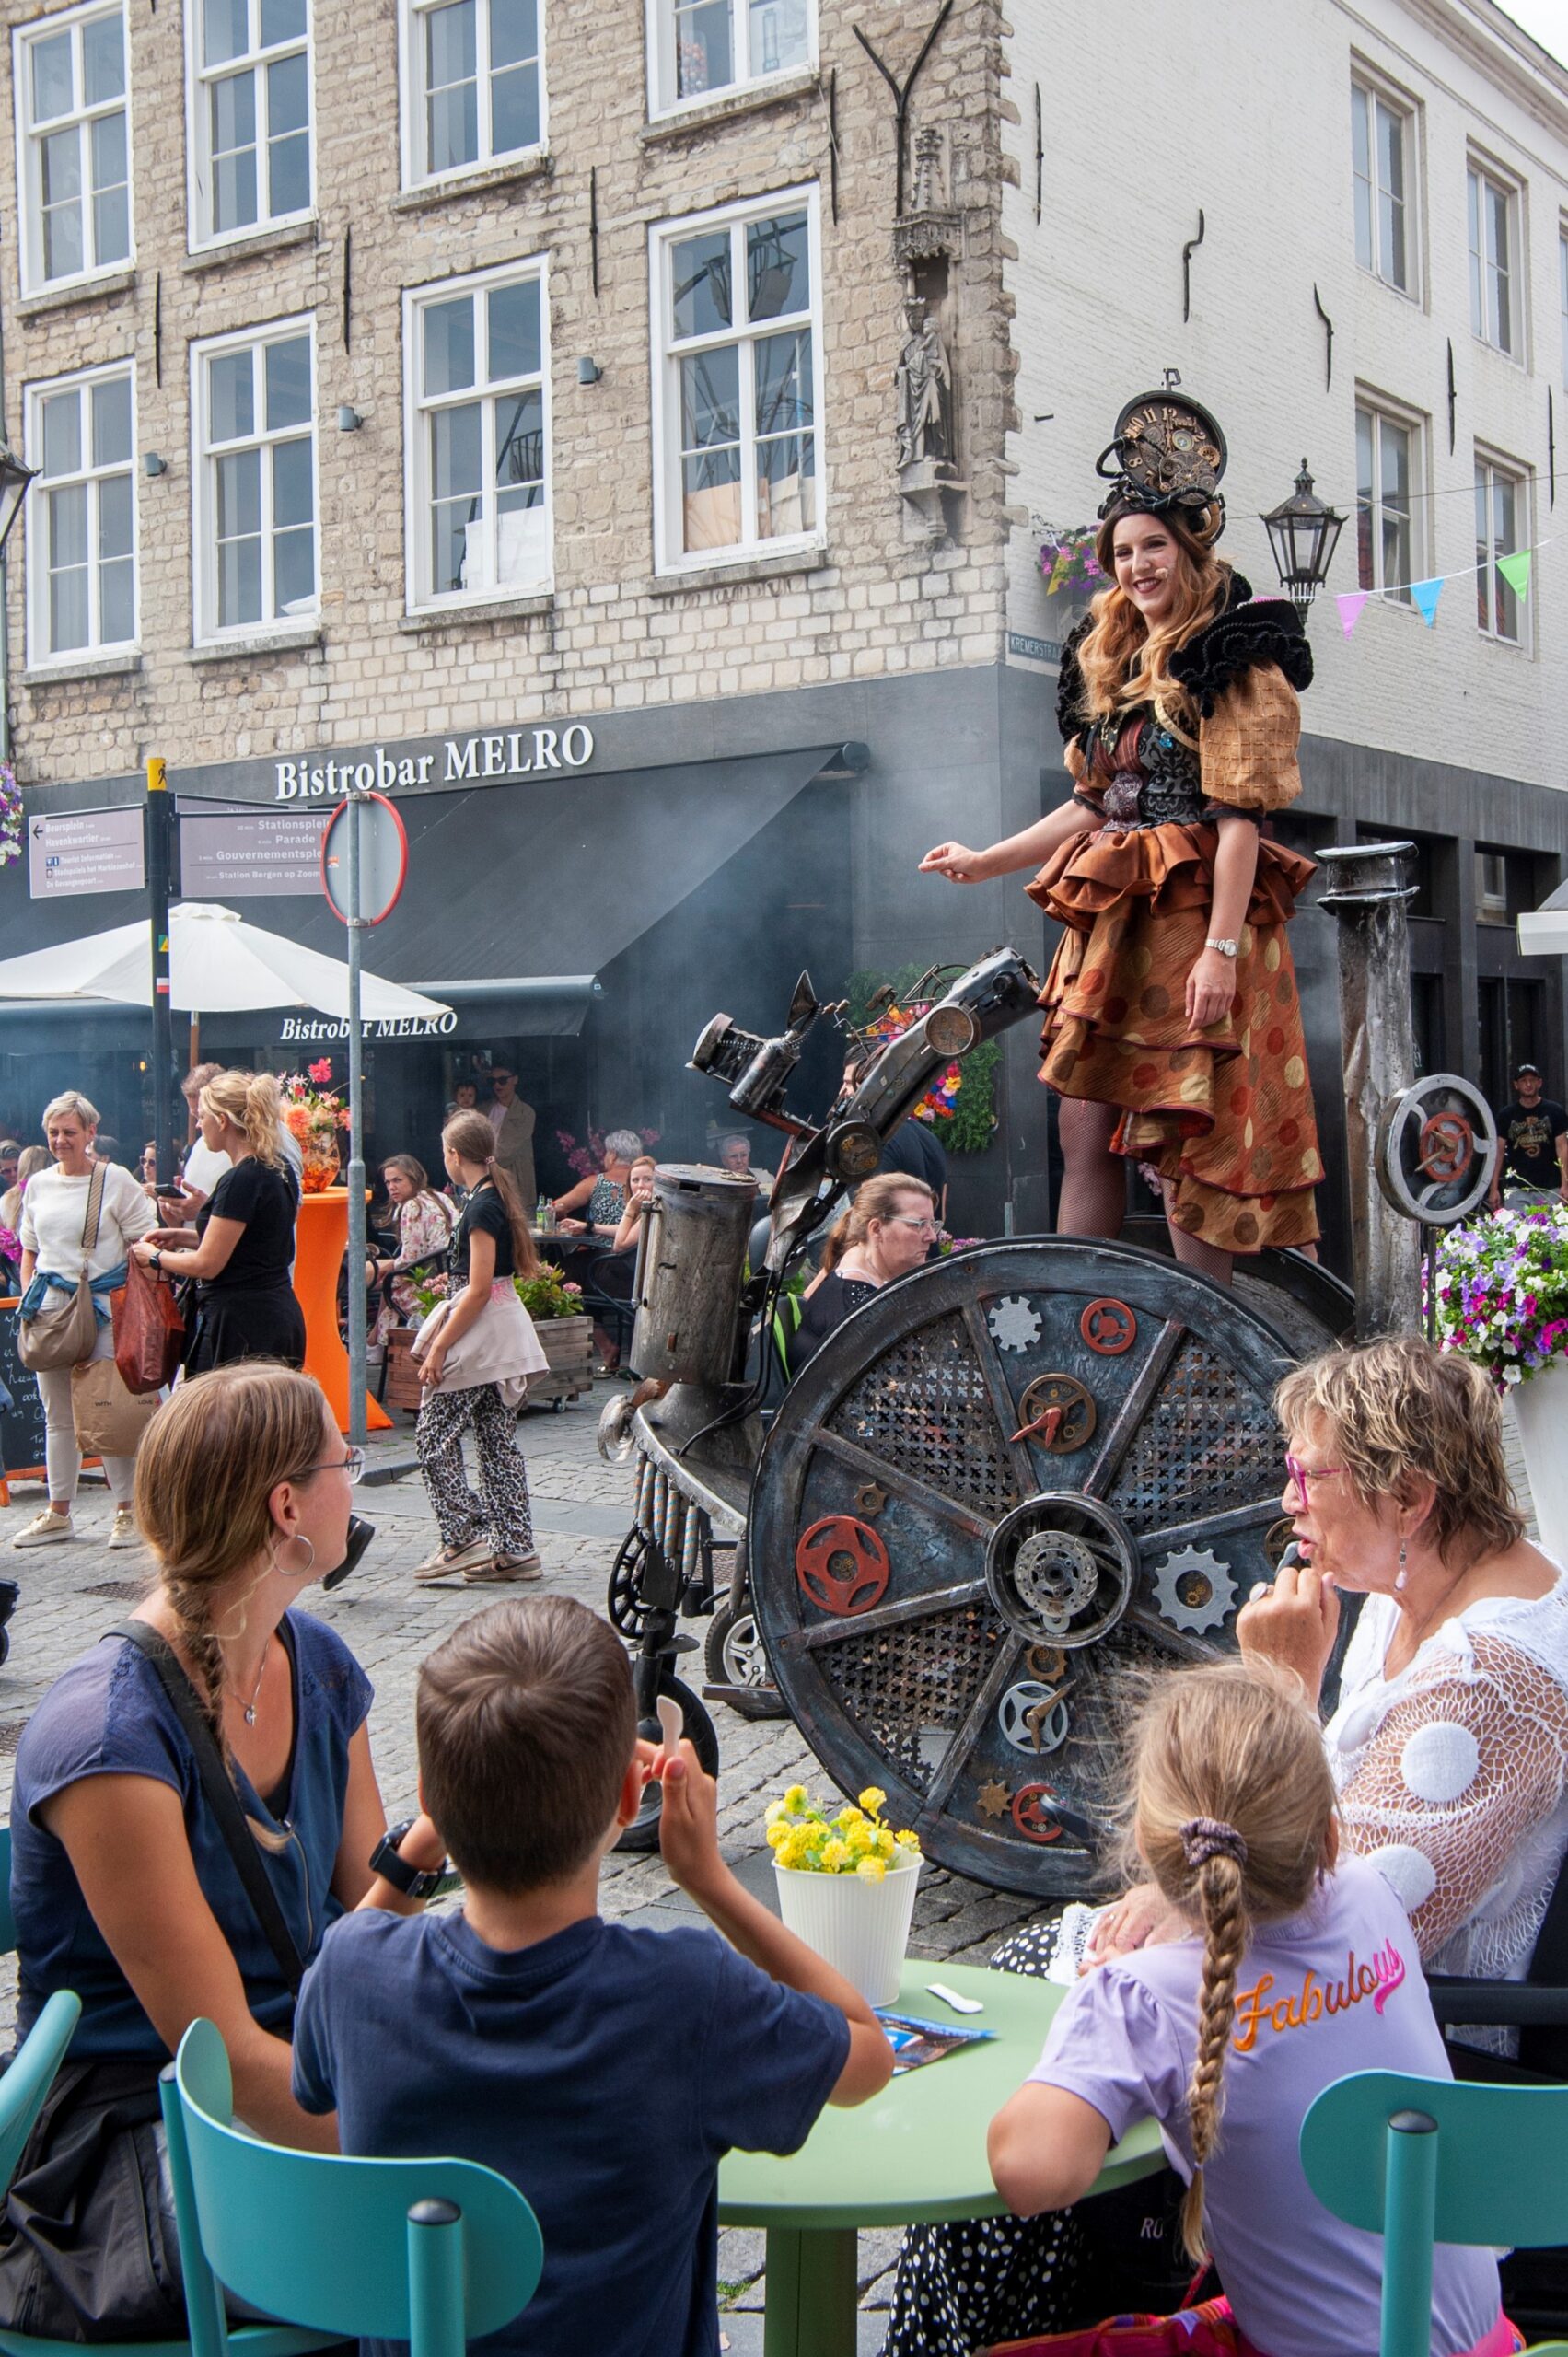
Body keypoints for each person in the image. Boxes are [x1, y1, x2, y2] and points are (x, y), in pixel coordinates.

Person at [292, 1594, 892, 2357]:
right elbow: (866, 2052)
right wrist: (709, 1879)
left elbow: (312, 2063)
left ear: (428, 1799)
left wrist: (415, 1850)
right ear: (627, 1799)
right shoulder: (684, 1995)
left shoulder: (355, 1970)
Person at [0, 1364, 450, 2340]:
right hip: (142, 2130)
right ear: (287, 1506)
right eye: (346, 1459)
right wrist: (424, 2165)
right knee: (473, 2241)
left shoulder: (320, 1664)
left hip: (299, 2064)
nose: (356, 1477)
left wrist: (438, 1837)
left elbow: (348, 1951)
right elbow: (223, 2062)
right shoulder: (109, 1740)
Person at [984, 1660, 1504, 2357]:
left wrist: (1100, 2017)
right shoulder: (1370, 1895)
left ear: (1145, 1845)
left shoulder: (1142, 1999)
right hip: (1490, 2342)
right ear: (1327, 1835)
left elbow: (1028, 2174)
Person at [921, 391, 1321, 1283]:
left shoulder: (1229, 652)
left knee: (1180, 1129)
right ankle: (1080, 1323)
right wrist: (985, 859)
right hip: (1115, 920)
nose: (1136, 566)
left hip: (1192, 916)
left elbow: (1238, 824)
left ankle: (1200, 1334)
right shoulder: (1104, 661)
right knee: (1079, 1121)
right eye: (1121, 551)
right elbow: (1096, 804)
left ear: (1186, 551)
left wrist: (1219, 952)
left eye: (1153, 547)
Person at [1232, 1336, 1568, 2002]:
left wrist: (1283, 1694)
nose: (1286, 1501)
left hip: (1395, 2047)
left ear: (1409, 1499)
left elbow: (1343, 1943)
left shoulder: (1486, 1679)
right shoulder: (1402, 1595)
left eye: (1306, 1478)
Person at [11, 1091, 157, 1552]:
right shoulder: (38, 1186)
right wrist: (32, 1290)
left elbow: (144, 1243)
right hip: (52, 1313)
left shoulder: (114, 1180)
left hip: (103, 1310)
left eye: (69, 1132)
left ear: (91, 1133)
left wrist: (132, 1305)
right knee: (57, 1417)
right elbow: (29, 1248)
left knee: (108, 1411)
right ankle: (59, 1512)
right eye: (53, 1133)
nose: (60, 1140)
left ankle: (128, 1511)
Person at [412, 1109, 549, 1585]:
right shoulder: (485, 1198)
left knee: (433, 1436)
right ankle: (515, 1550)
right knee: (495, 1441)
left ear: (454, 1155)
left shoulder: (480, 1207)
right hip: (493, 1327)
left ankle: (463, 1534)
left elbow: (477, 1288)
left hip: (482, 1332)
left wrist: (437, 1349)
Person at [132, 1070, 305, 1375]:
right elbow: (249, 1245)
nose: (198, 1125)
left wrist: (155, 1257)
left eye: (202, 1117)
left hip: (241, 1326)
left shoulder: (241, 1179)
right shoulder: (278, 1169)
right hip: (275, 1315)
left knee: (226, 1420)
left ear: (222, 1121)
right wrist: (179, 1237)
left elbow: (207, 1264)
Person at [788, 1174, 937, 1376]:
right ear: (876, 1229)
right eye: (918, 1225)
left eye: (932, 1224)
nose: (932, 1236)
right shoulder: (855, 1304)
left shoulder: (857, 1269)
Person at [366, 1155, 455, 1343]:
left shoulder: (413, 1206)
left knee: (365, 1277)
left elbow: (409, 1258)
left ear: (413, 1178)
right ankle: (374, 1340)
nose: (391, 1187)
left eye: (397, 1180)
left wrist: (387, 1268)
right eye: (388, 1182)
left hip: (428, 1282)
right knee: (387, 1276)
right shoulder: (441, 1197)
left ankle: (371, 1340)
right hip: (449, 1274)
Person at [1489, 1062, 1568, 1211]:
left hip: (1550, 1188)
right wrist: (1493, 1189)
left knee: (1550, 1231)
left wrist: (1565, 1184)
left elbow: (1563, 1149)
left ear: (1540, 1083)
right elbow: (1498, 1153)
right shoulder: (1506, 1115)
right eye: (1523, 1081)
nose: (1528, 1084)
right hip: (1517, 1189)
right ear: (1516, 1085)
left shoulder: (1555, 1111)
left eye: (1532, 1080)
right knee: (1517, 1230)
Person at [552, 1129, 641, 1235]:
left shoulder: (594, 1182)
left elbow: (555, 1208)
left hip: (600, 1249)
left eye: (606, 1153)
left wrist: (560, 1214)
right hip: (637, 1249)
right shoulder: (647, 1184)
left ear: (612, 1156)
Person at [484, 1062, 538, 1215]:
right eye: (492, 1081)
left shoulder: (526, 1113)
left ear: (515, 1080)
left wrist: (478, 1163)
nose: (497, 1085)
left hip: (515, 1183)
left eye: (502, 1080)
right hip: (487, 1184)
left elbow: (508, 1150)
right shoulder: (482, 1109)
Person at [717, 1132, 773, 1201]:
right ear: (724, 1160)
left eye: (743, 1155)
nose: (739, 1161)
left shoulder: (766, 1177)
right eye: (733, 1156)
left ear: (748, 1156)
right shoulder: (716, 1184)